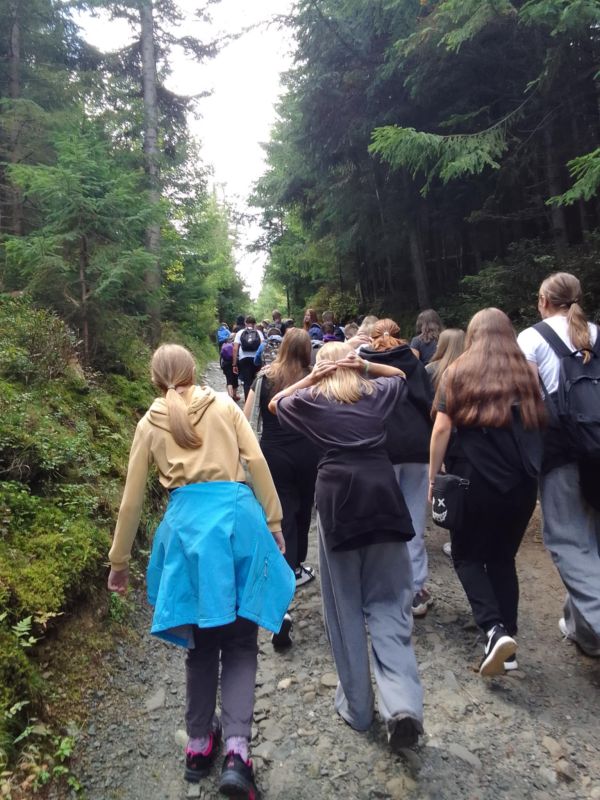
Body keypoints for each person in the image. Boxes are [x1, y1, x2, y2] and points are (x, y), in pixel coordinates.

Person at [107, 344, 294, 797]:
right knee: (242, 644)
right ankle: (237, 753)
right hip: (237, 525)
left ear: (155, 379)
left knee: (202, 644)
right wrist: (273, 521)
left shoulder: (149, 423)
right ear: (193, 371)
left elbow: (131, 501)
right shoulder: (225, 405)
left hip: (188, 535)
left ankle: (197, 744)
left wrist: (119, 562)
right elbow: (256, 461)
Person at [269, 343, 424, 750]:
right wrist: (367, 365)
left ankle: (358, 708)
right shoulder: (375, 394)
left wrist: (314, 377)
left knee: (345, 609)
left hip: (338, 500)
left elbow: (276, 403)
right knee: (390, 602)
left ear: (321, 369)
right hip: (382, 494)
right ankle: (401, 703)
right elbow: (402, 376)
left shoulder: (312, 402)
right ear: (353, 366)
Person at [429, 309, 545, 675]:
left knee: (465, 557)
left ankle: (493, 629)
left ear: (473, 335)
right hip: (521, 483)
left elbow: (441, 429)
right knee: (502, 558)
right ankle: (507, 647)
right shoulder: (526, 374)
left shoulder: (457, 372)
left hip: (472, 480)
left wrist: (432, 478)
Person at [517, 272, 600, 657]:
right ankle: (584, 631)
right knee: (592, 539)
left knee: (569, 540)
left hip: (562, 450)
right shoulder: (596, 333)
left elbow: (527, 401)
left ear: (543, 301)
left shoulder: (531, 338)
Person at [244, 328, 320, 647]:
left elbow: (247, 418)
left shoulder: (264, 378)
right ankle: (297, 564)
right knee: (303, 512)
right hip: (308, 451)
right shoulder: (313, 377)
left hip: (273, 454)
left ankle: (282, 607)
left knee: (282, 516)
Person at [360, 319, 435, 617]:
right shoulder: (414, 363)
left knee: (379, 519)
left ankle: (381, 587)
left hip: (379, 448)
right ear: (400, 335)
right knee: (414, 520)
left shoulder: (363, 364)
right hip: (416, 447)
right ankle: (416, 590)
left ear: (372, 337)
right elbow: (429, 405)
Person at [425, 328, 466, 558]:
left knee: (448, 486)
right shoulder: (471, 370)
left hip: (438, 431)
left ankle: (457, 538)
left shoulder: (430, 370)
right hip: (464, 435)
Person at [233, 315, 264, 400]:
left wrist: (234, 364)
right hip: (256, 360)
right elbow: (263, 348)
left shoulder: (240, 332)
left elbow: (235, 349)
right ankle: (255, 401)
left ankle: (247, 402)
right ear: (254, 324)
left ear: (245, 323)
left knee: (247, 382)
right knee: (256, 381)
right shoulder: (259, 333)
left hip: (244, 360)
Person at [219, 335, 239, 402]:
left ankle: (230, 396)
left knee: (229, 380)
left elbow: (221, 357)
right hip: (234, 362)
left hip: (226, 363)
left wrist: (221, 366)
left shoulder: (224, 344)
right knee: (235, 379)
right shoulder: (236, 345)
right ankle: (234, 395)